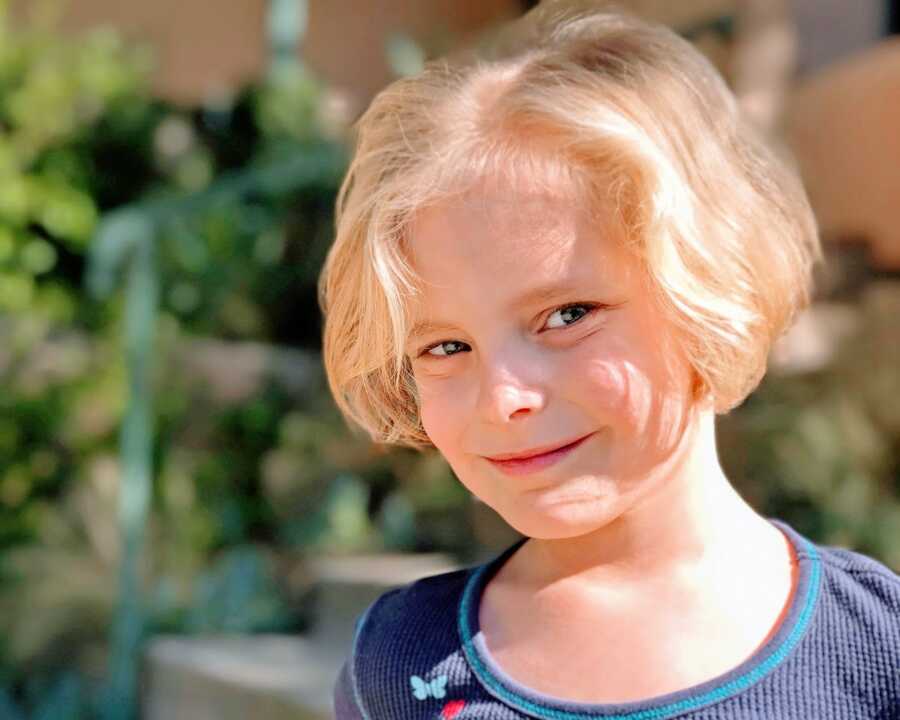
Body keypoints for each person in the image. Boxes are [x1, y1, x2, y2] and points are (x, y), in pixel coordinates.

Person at [319, 2, 900, 718]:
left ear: (708, 284)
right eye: (446, 346)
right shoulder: (399, 665)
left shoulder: (877, 656)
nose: (504, 397)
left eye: (566, 316)